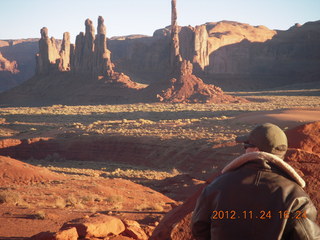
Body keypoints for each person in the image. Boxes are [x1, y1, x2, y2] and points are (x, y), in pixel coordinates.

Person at [191, 123, 320, 239]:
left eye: (246, 145)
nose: (244, 149)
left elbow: (199, 228)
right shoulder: (295, 196)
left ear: (256, 150)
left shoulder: (217, 187)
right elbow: (307, 236)